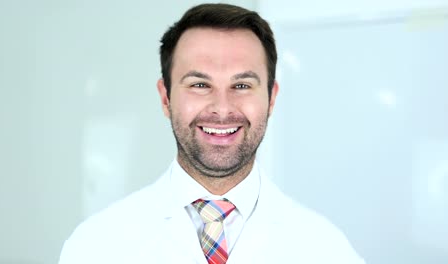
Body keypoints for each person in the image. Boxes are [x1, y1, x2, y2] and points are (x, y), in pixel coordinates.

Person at [58, 3, 365, 264]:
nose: (221, 108)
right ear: (166, 98)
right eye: (199, 85)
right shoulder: (96, 246)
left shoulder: (328, 250)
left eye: (242, 85)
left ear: (271, 99)